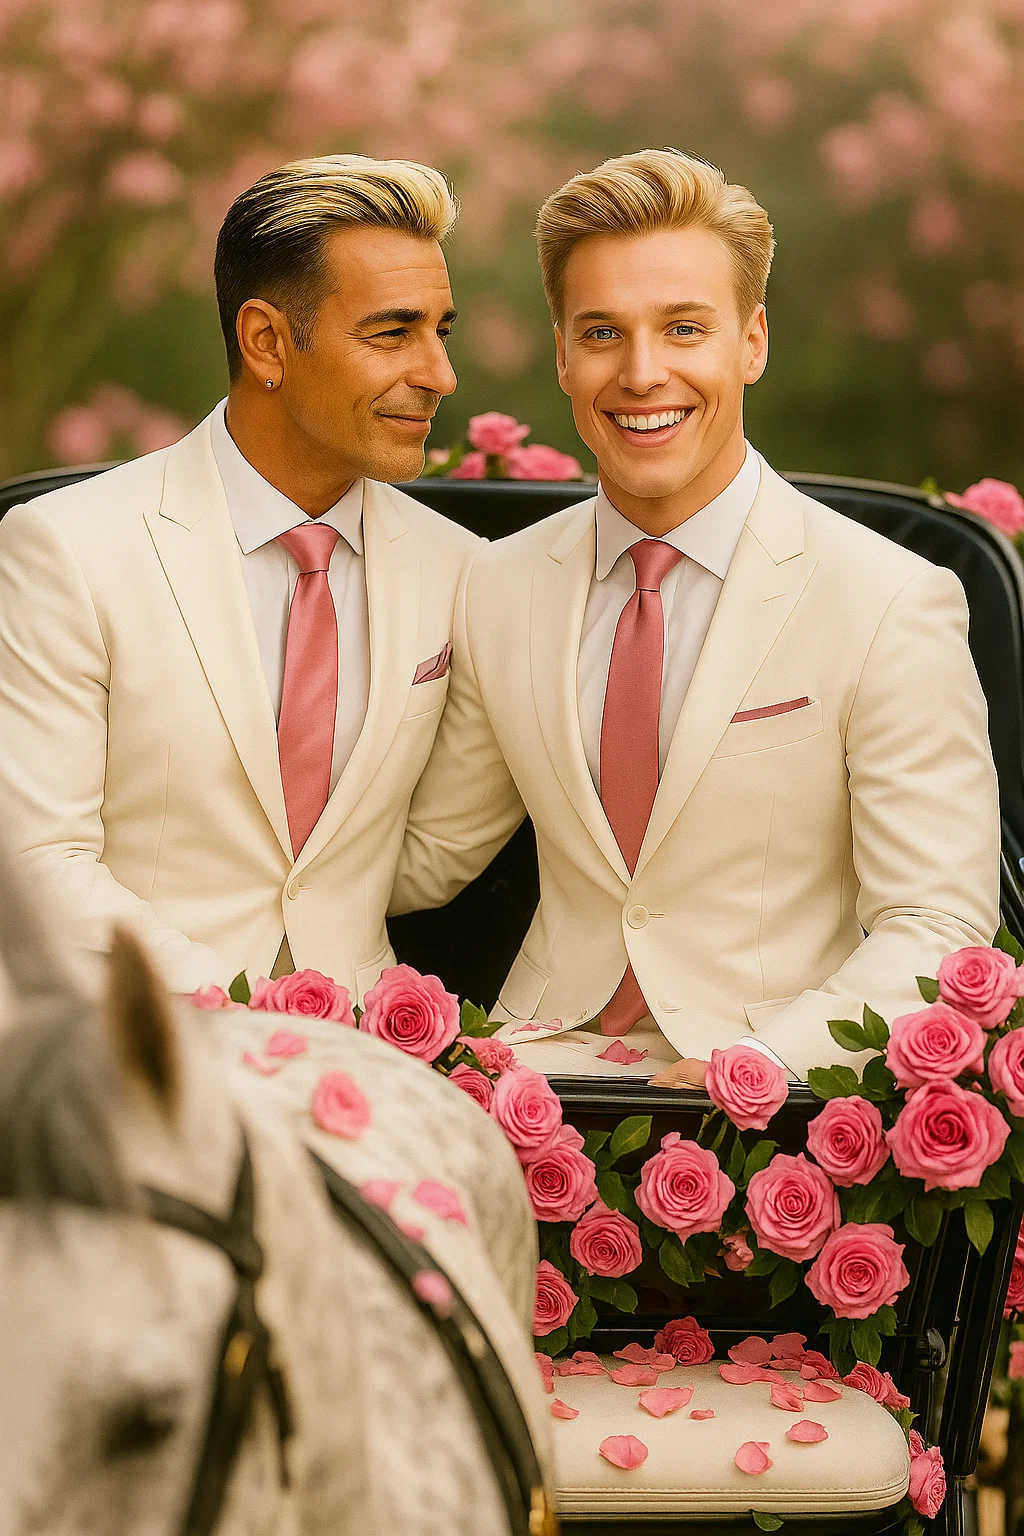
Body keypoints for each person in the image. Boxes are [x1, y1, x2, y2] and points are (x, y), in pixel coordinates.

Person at [390, 148, 1000, 1084]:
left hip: (778, 1113)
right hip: (531, 1086)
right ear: (561, 352)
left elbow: (938, 929)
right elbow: (427, 854)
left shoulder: (889, 600)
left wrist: (763, 1063)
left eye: (684, 329)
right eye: (601, 333)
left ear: (751, 343)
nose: (642, 373)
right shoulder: (497, 586)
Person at [0, 154, 478, 997]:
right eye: (393, 332)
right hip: (123, 1050)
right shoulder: (66, 548)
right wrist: (258, 1023)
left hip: (370, 1070)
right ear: (266, 340)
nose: (439, 374)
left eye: (441, 331)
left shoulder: (463, 569)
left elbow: (422, 856)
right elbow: (39, 862)